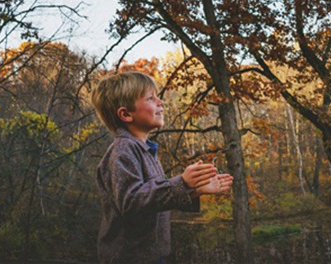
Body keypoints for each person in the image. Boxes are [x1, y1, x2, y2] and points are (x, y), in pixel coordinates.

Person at [91, 70, 232, 264]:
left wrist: (194, 190)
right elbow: (132, 201)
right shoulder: (123, 151)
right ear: (125, 114)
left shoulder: (144, 150)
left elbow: (152, 200)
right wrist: (182, 182)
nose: (161, 102)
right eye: (151, 98)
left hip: (151, 257)